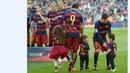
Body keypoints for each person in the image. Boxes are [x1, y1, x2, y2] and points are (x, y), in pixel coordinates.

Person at [64, 3, 83, 71]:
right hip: (76, 34)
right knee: (75, 51)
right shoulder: (80, 15)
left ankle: (70, 60)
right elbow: (81, 26)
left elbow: (64, 24)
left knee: (67, 50)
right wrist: (81, 33)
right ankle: (72, 66)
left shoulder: (66, 13)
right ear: (77, 8)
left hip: (68, 33)